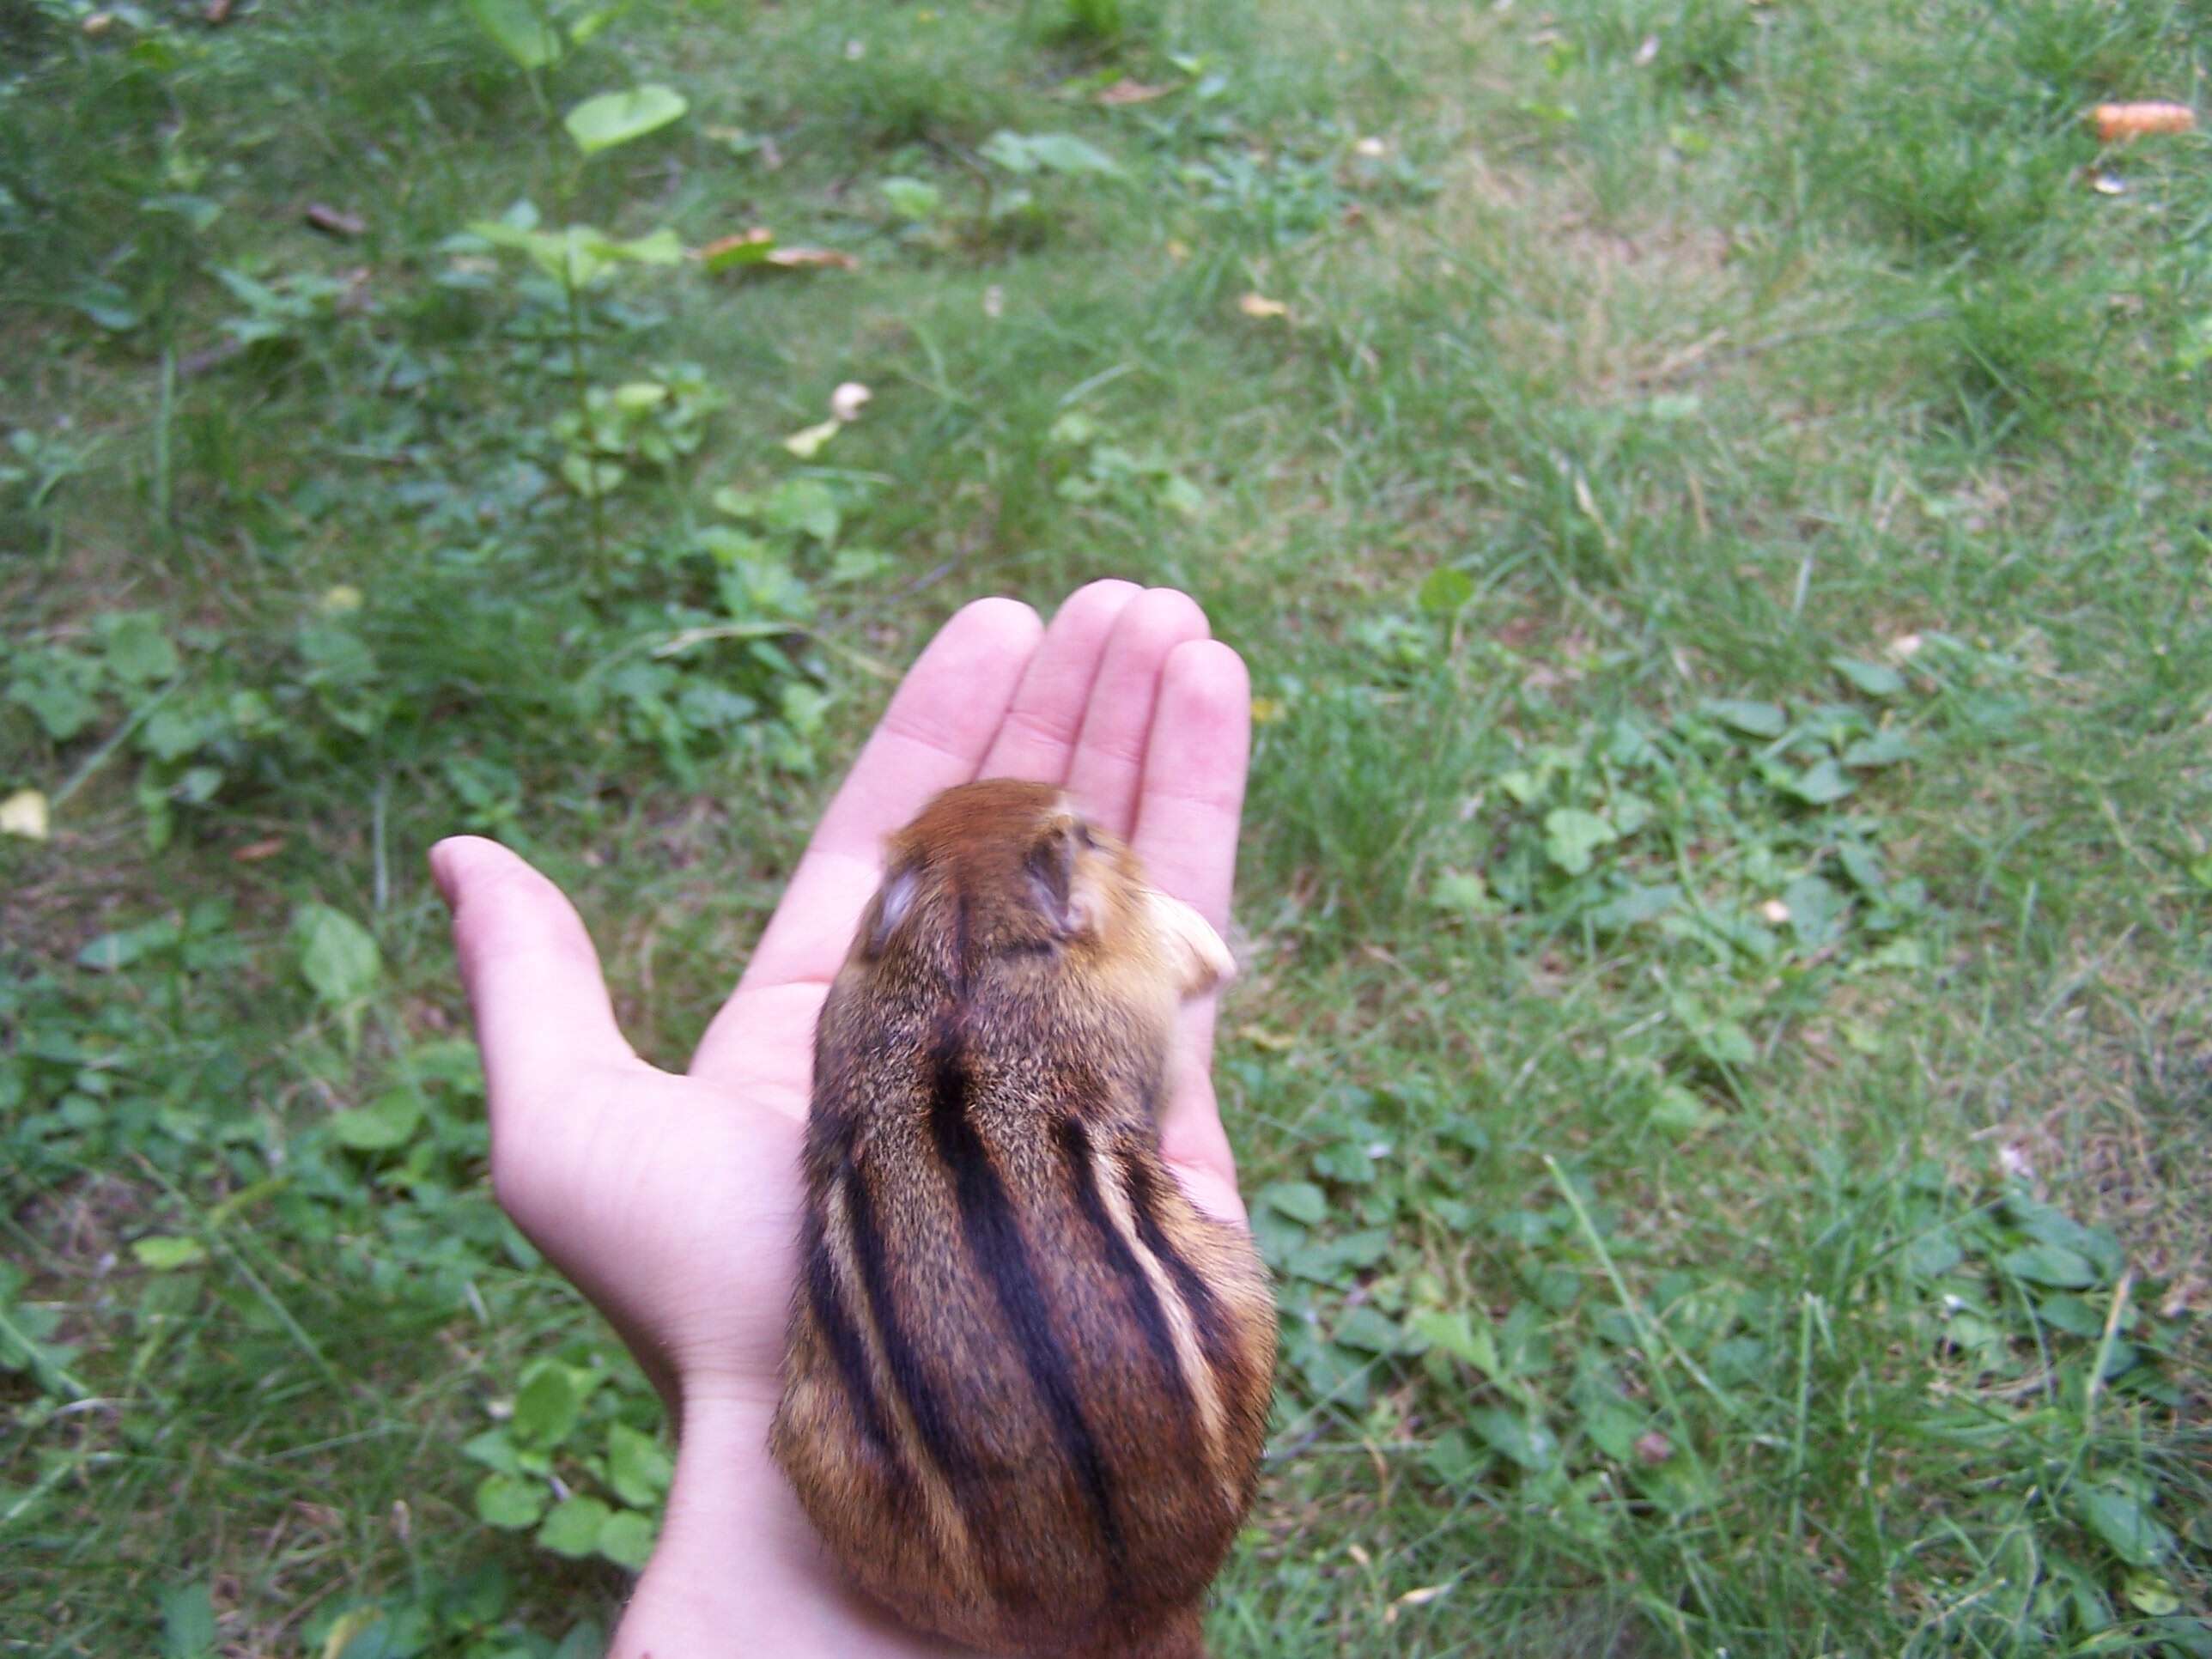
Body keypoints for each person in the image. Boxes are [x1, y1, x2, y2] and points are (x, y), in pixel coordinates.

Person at [429, 582, 1255, 1656]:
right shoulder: (1086, 1020)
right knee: (1209, 1296)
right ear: (1063, 906)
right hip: (1136, 1511)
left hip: (955, 1551)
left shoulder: (856, 1030)